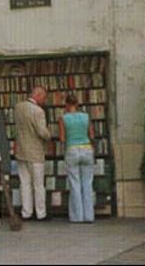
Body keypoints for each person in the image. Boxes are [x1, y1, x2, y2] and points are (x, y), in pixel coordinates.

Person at [14, 86, 51, 221]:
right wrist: (49, 135)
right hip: (35, 152)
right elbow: (42, 132)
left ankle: (26, 212)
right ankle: (41, 213)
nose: (44, 100)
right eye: (44, 97)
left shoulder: (18, 107)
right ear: (39, 95)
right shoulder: (38, 111)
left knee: (24, 183)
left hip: (21, 150)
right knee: (38, 185)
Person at [58, 93, 95, 223]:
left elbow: (62, 138)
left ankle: (77, 217)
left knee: (75, 184)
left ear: (67, 105)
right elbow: (91, 135)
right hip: (87, 149)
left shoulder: (63, 118)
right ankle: (89, 216)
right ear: (77, 104)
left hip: (72, 149)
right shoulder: (86, 116)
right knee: (87, 183)